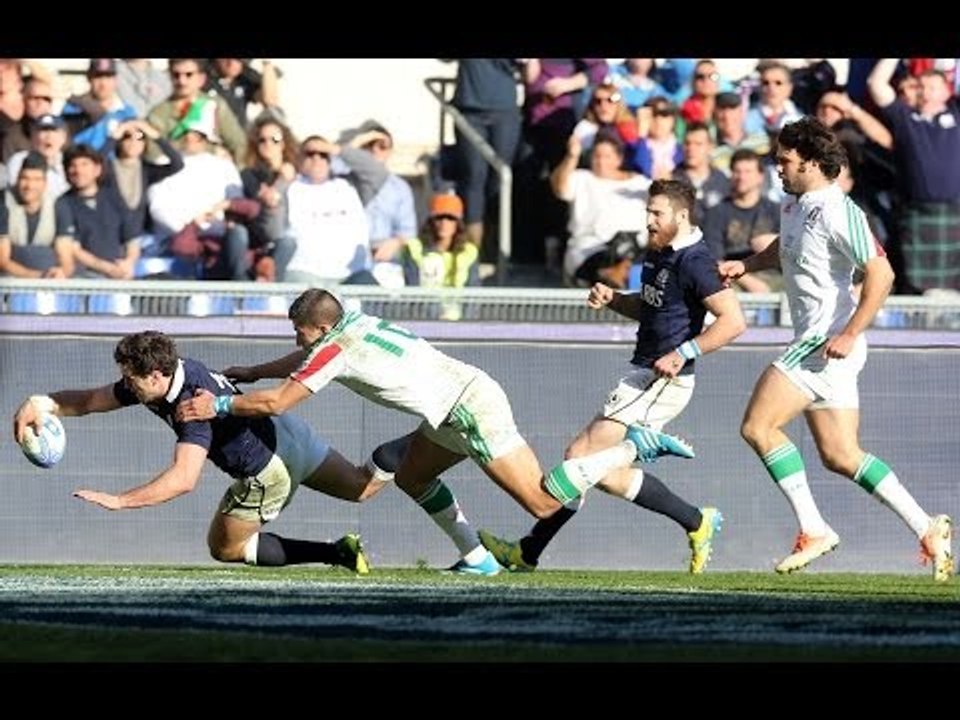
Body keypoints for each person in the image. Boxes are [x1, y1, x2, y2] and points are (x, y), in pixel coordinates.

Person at [175, 289, 695, 574]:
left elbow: (280, 401)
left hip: (470, 407)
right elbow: (303, 360)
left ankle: (634, 445)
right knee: (413, 478)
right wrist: (255, 369)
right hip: (451, 405)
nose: (298, 338)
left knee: (543, 502)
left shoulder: (334, 346)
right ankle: (478, 559)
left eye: (300, 331)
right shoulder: (350, 322)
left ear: (318, 328)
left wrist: (219, 402)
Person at [717, 116, 953, 581]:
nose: (776, 168)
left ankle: (814, 528)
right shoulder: (795, 205)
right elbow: (785, 250)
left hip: (823, 342)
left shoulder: (837, 209)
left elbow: (880, 274)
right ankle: (927, 527)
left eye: (784, 161)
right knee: (841, 454)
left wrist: (849, 333)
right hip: (826, 346)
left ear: (809, 162)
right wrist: (746, 266)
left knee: (758, 426)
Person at [479, 179, 746, 573]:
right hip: (646, 373)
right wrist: (615, 300)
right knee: (602, 474)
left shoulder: (696, 261)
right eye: (648, 213)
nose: (649, 221)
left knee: (578, 459)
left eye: (657, 213)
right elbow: (653, 309)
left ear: (682, 215)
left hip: (662, 380)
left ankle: (527, 552)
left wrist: (682, 353)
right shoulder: (659, 251)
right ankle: (696, 520)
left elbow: (734, 322)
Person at [12, 331, 411, 574]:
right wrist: (40, 402)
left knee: (225, 548)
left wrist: (119, 501)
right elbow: (88, 401)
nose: (124, 385)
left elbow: (184, 479)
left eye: (130, 379)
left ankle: (336, 553)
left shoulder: (190, 401)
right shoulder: (167, 373)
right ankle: (421, 438)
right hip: (289, 434)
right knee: (362, 485)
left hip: (269, 469)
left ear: (155, 375)